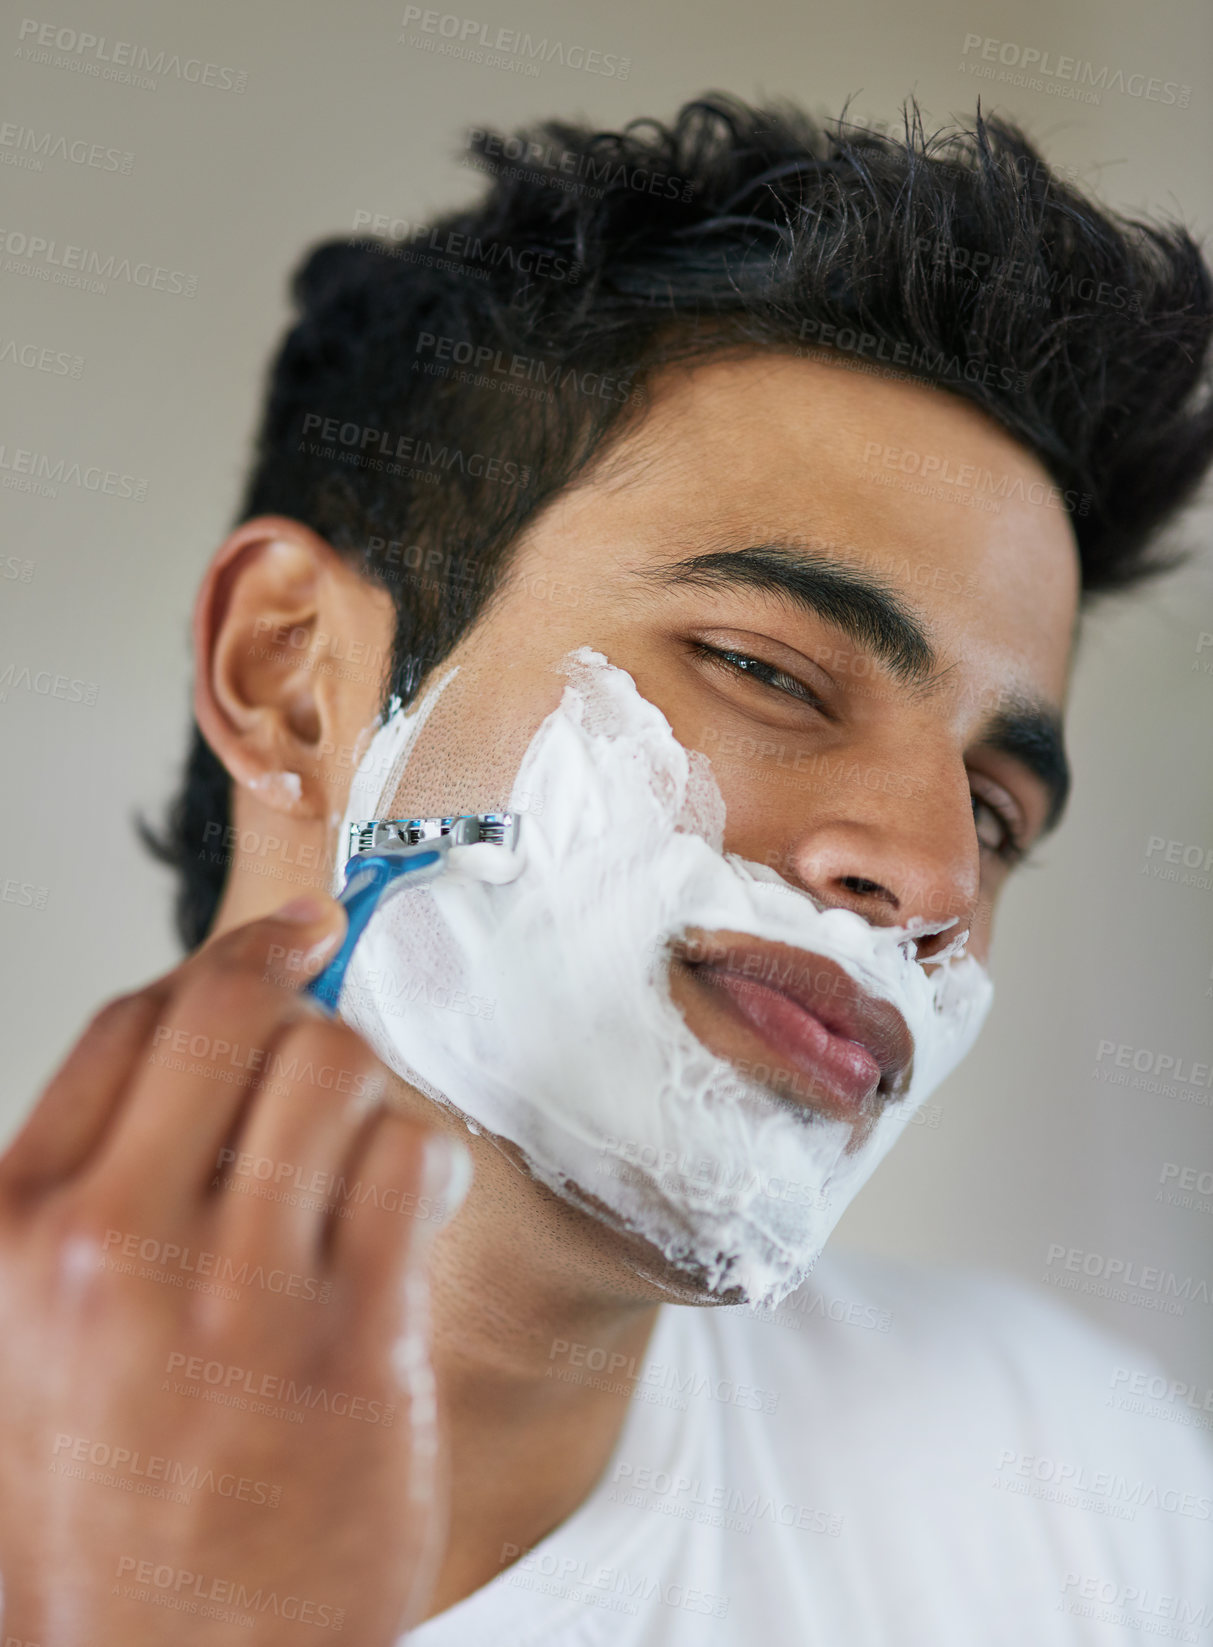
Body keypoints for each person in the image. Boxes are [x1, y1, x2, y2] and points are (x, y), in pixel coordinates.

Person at [3, 95, 1211, 1645]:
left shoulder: (1065, 1495)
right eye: (766, 671)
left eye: (992, 810)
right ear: (292, 673)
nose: (925, 878)